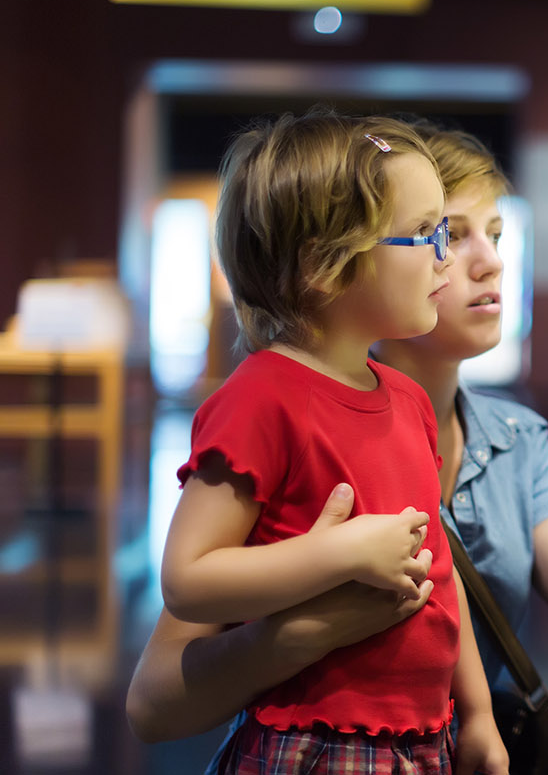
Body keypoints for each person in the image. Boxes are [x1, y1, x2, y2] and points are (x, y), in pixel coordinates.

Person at [126, 123, 548, 772]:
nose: (485, 261)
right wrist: (305, 627)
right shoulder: (271, 400)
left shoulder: (504, 437)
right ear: (331, 262)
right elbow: (156, 700)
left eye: (494, 233)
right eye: (444, 234)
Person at [157, 110, 505, 774]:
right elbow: (187, 579)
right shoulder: (263, 395)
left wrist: (479, 713)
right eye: (424, 235)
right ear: (324, 264)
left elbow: (436, 573)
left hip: (422, 740)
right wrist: (335, 553)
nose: (445, 257)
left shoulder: (405, 401)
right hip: (316, 744)